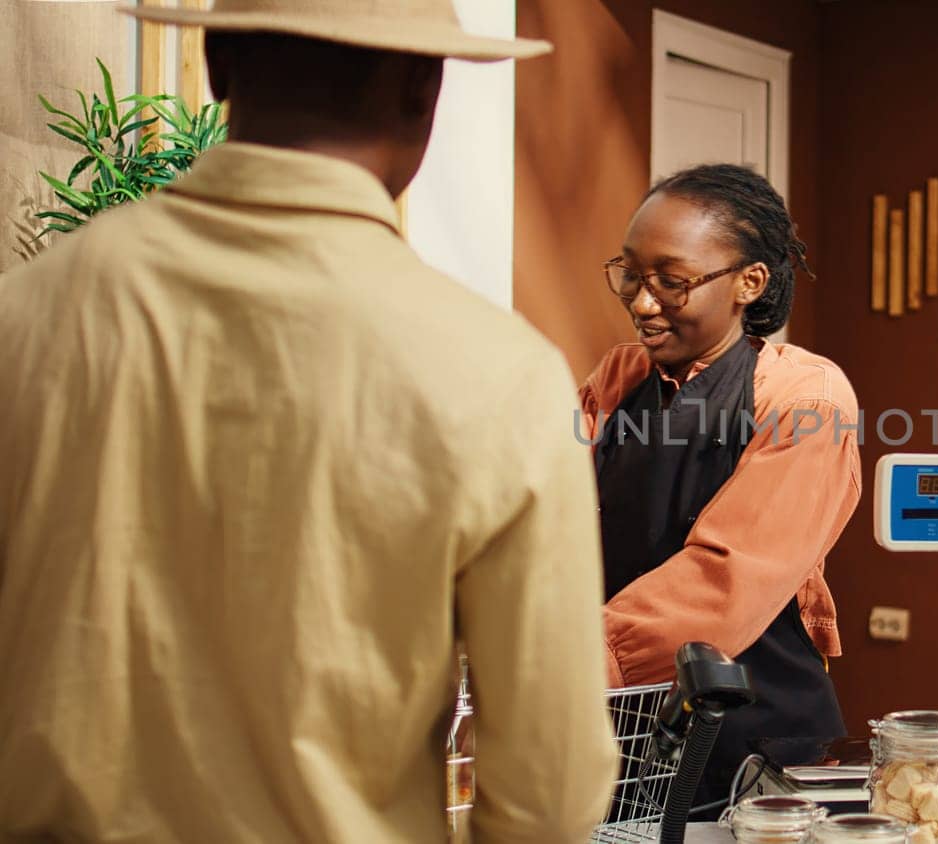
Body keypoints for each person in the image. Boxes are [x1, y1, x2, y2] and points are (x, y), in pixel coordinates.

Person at [0, 1, 618, 840]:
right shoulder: (500, 377)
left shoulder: (22, 317)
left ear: (216, 63)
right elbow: (548, 793)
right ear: (423, 84)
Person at [580, 164, 861, 810]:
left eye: (672, 283)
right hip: (627, 729)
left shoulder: (806, 398)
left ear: (749, 283)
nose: (643, 303)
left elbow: (724, 581)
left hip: (755, 743)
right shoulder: (620, 377)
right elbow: (542, 503)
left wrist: (569, 660)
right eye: (631, 275)